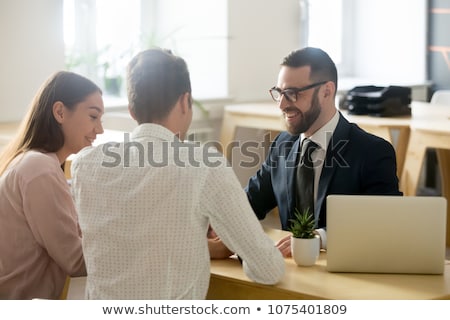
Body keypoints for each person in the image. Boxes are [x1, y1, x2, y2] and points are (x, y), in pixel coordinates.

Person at [70, 48, 285, 299]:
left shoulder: (84, 165)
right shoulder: (205, 165)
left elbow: (135, 234)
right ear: (185, 101)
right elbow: (269, 269)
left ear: (131, 110)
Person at [244, 47, 402, 257]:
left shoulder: (372, 152)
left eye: (292, 94)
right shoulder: (283, 145)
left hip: (346, 273)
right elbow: (250, 201)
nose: (282, 104)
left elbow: (384, 222)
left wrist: (318, 239)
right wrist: (212, 225)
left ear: (326, 91)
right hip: (289, 272)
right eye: (279, 93)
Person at [0, 71, 104, 299]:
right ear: (60, 112)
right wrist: (138, 240)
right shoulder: (39, 170)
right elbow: (76, 260)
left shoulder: (34, 163)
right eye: (93, 117)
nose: (100, 130)